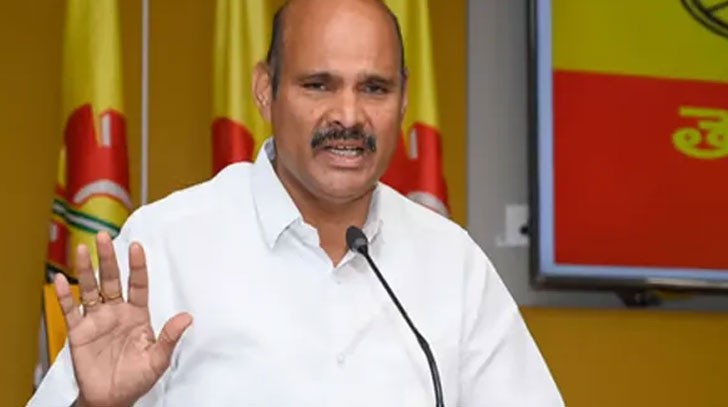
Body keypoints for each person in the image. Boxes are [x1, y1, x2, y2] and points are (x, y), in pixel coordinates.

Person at [28, 0, 564, 405]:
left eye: (374, 88)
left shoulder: (451, 262)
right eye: (318, 85)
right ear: (266, 91)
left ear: (404, 98)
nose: (348, 116)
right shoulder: (167, 244)